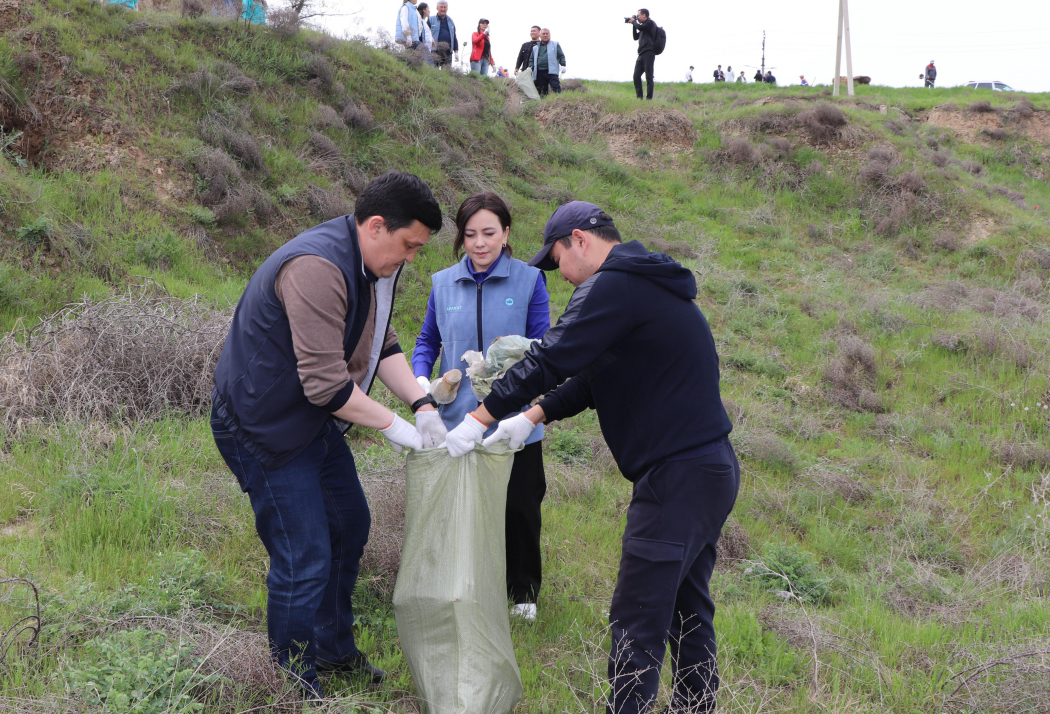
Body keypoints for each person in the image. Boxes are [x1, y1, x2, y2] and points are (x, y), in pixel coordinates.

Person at [439, 200, 738, 714]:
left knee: (637, 615)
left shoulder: (611, 286)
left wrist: (478, 419)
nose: (559, 276)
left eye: (556, 261)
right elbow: (597, 375)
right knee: (685, 608)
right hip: (707, 469)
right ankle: (694, 707)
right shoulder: (644, 285)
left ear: (579, 240)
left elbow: (552, 356)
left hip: (678, 476)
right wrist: (529, 418)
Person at [211, 172, 445, 699]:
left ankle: (333, 650)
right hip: (262, 423)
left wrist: (423, 402)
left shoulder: (376, 263)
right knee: (305, 552)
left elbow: (381, 341)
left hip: (311, 418)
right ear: (378, 226)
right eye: (409, 246)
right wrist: (397, 427)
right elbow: (325, 385)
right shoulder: (317, 267)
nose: (410, 258)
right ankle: (293, 681)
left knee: (348, 525)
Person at [412, 193, 552, 622]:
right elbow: (427, 342)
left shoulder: (529, 280)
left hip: (513, 419)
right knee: (460, 505)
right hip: (455, 419)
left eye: (489, 233)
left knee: (519, 506)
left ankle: (523, 593)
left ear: (506, 233)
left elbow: (546, 348)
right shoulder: (442, 282)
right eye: (470, 234)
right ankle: (463, 584)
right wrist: (422, 379)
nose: (479, 243)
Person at [629, 9, 660, 100]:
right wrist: (633, 25)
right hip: (641, 53)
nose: (637, 17)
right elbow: (635, 37)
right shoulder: (642, 26)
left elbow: (640, 27)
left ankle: (649, 98)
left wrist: (634, 22)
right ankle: (639, 98)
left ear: (644, 15)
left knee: (649, 76)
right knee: (636, 76)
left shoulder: (650, 23)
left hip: (649, 52)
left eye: (638, 15)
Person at [530, 27, 566, 96]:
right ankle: (543, 105)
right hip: (540, 72)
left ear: (549, 35)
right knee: (541, 91)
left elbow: (561, 56)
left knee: (556, 89)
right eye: (543, 34)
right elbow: (531, 59)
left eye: (547, 34)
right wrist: (530, 68)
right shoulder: (535, 48)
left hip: (552, 71)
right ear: (540, 36)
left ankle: (559, 102)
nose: (545, 35)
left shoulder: (555, 45)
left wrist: (563, 65)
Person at [428, 0, 459, 68]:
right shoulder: (430, 19)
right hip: (435, 50)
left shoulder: (451, 21)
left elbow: (454, 37)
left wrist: (456, 51)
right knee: (433, 70)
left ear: (447, 8)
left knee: (447, 74)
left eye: (445, 7)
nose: (443, 9)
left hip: (448, 51)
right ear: (437, 8)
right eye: (441, 7)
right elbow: (426, 34)